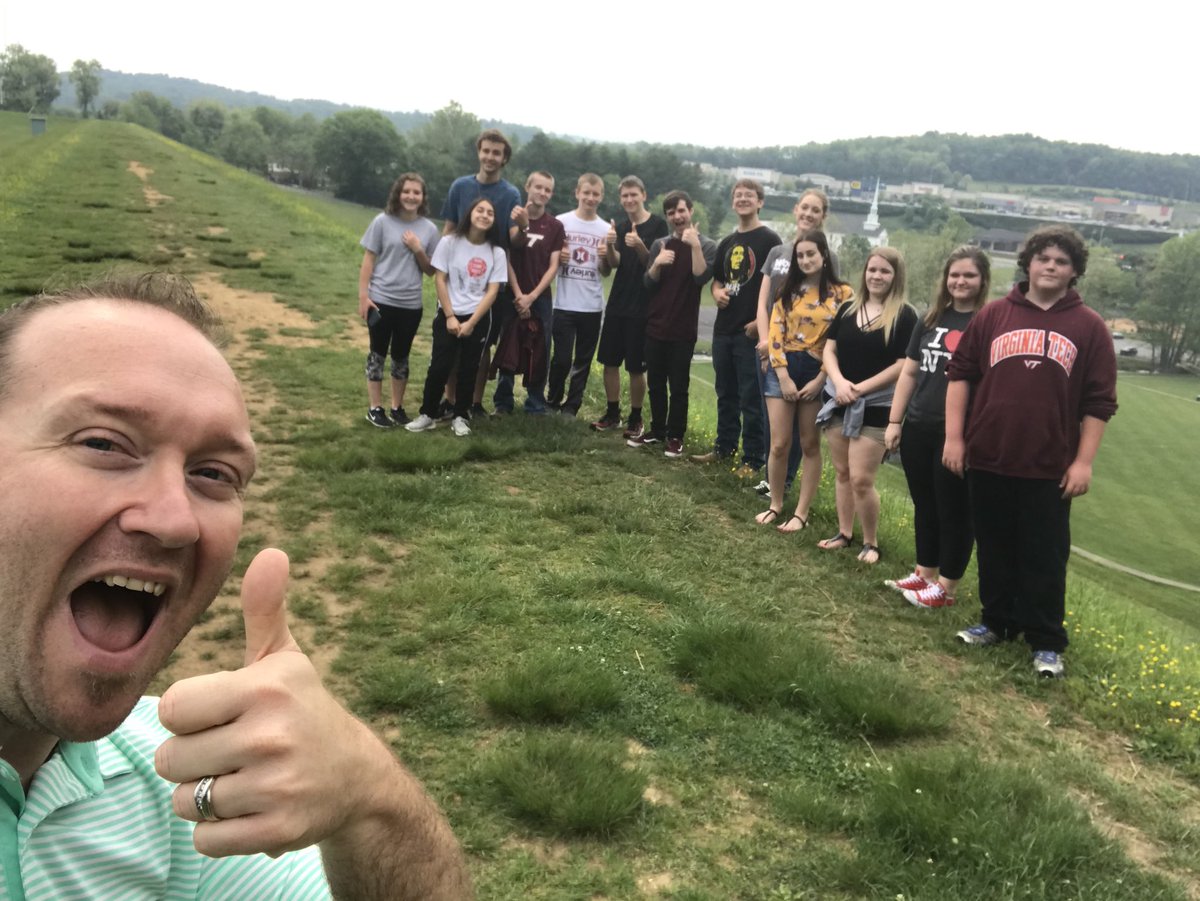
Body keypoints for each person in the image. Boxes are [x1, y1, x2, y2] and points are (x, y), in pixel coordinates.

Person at [0, 274, 470, 900]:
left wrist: (372, 797)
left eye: (214, 474)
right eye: (104, 443)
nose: (176, 520)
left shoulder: (169, 782)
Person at [944, 225, 1117, 678]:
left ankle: (1046, 641)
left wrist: (1083, 462)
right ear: (1029, 263)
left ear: (1074, 271)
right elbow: (960, 375)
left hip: (1049, 465)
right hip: (989, 455)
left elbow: (1099, 402)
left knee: (1045, 555)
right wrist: (954, 438)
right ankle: (996, 622)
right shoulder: (994, 315)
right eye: (1043, 258)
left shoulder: (1090, 327)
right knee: (994, 546)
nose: (1051, 267)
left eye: (1061, 261)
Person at [883, 246, 990, 608]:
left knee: (954, 509)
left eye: (969, 275)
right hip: (918, 424)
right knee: (925, 503)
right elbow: (909, 372)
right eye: (954, 275)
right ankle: (924, 572)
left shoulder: (987, 323)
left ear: (982, 280)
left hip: (957, 432)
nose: (960, 281)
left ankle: (947, 587)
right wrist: (895, 420)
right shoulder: (931, 318)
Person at [816, 246, 918, 564]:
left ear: (896, 276)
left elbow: (902, 365)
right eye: (872, 269)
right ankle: (844, 533)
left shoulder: (905, 316)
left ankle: (871, 543)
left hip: (875, 406)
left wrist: (859, 389)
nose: (877, 276)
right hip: (839, 400)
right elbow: (829, 350)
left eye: (885, 271)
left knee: (862, 479)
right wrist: (840, 383)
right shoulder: (848, 308)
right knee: (843, 472)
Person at [755, 231, 852, 532]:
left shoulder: (843, 294)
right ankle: (775, 504)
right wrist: (782, 376)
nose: (806, 260)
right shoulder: (787, 289)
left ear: (824, 255)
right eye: (800, 255)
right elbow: (775, 332)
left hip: (817, 370)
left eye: (811, 254)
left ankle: (801, 513)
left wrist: (822, 379)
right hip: (782, 367)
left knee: (809, 443)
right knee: (779, 444)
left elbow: (841, 341)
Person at [751, 189, 839, 496]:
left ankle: (786, 481)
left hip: (809, 356)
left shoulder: (828, 257)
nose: (809, 214)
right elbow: (764, 302)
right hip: (772, 348)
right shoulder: (777, 252)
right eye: (805, 207)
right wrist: (765, 342)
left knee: (802, 430)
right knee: (774, 422)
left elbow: (831, 313)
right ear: (795, 209)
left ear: (823, 216)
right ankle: (771, 479)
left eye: (816, 210)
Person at [691, 179, 781, 478]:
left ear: (760, 202)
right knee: (725, 393)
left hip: (750, 332)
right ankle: (724, 448)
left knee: (751, 398)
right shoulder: (728, 242)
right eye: (738, 195)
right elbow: (718, 279)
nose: (742, 199)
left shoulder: (770, 240)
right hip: (723, 329)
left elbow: (780, 287)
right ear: (733, 202)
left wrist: (761, 323)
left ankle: (753, 460)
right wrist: (716, 292)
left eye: (749, 195)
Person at [407, 197, 506, 437]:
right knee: (439, 366)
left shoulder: (497, 252)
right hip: (448, 313)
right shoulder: (449, 242)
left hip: (478, 318)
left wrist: (471, 323)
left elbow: (492, 291)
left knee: (469, 368)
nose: (484, 215)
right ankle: (427, 414)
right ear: (470, 214)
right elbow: (440, 278)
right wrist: (450, 316)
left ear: (494, 220)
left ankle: (461, 416)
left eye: (490, 213)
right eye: (480, 210)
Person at [627, 191, 717, 458]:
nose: (677, 217)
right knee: (655, 383)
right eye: (671, 213)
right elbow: (648, 283)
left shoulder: (707, 245)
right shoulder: (660, 244)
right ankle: (657, 430)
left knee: (678, 387)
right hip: (656, 324)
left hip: (683, 328)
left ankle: (676, 436)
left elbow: (701, 278)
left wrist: (695, 246)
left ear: (690, 211)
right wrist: (656, 263)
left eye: (681, 211)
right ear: (667, 217)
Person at [439, 129, 521, 419]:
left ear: (504, 158)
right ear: (479, 152)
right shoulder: (460, 187)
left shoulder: (511, 194)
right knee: (452, 342)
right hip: (457, 280)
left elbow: (514, 241)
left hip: (490, 282)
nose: (490, 157)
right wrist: (440, 267)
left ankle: (474, 402)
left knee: (483, 345)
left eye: (496, 153)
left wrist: (523, 226)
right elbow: (449, 229)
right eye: (486, 151)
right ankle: (450, 400)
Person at [358, 173, 440, 428]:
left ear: (423, 197)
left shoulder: (429, 229)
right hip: (381, 300)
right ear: (398, 193)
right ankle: (375, 408)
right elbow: (369, 259)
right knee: (377, 354)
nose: (411, 196)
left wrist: (418, 248)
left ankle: (397, 407)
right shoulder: (382, 222)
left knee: (401, 356)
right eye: (406, 191)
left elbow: (430, 270)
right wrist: (364, 296)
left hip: (410, 304)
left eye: (416, 192)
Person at [591, 176, 669, 438]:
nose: (629, 199)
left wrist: (639, 245)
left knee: (636, 367)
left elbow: (654, 263)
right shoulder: (621, 227)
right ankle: (612, 413)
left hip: (643, 306)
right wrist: (609, 245)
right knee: (609, 362)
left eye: (633, 194)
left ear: (644, 195)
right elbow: (614, 264)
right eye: (625, 196)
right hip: (617, 303)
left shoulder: (658, 225)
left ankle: (635, 418)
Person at [494, 170, 564, 413]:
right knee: (507, 344)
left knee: (541, 348)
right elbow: (506, 258)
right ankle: (503, 401)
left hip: (540, 297)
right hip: (511, 295)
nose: (542, 193)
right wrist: (518, 295)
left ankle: (535, 402)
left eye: (547, 190)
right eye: (538, 187)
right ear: (527, 187)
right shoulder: (512, 218)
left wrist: (532, 297)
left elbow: (554, 266)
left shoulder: (555, 226)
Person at [546, 174, 611, 417]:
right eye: (586, 193)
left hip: (592, 306)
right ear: (577, 193)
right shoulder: (560, 222)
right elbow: (547, 261)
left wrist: (604, 257)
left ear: (601, 197)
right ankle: (552, 400)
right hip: (563, 304)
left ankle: (572, 406)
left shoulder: (605, 229)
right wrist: (558, 259)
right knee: (562, 359)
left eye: (595, 194)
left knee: (582, 361)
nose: (590, 198)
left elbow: (606, 271)